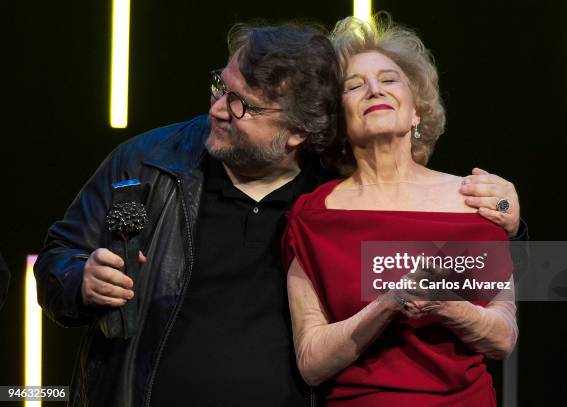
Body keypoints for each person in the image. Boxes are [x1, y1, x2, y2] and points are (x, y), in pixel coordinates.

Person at [34, 20, 525, 407]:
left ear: (296, 134)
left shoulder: (329, 195)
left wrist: (511, 220)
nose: (218, 110)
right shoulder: (147, 163)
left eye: (242, 105)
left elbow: (478, 271)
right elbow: (59, 257)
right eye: (220, 87)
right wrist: (81, 280)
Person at [284, 16, 519, 406]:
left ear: (416, 112)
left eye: (389, 80)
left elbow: (503, 336)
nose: (374, 89)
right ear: (340, 120)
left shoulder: (474, 200)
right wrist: (388, 303)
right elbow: (311, 361)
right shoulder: (312, 215)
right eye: (354, 86)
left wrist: (446, 305)